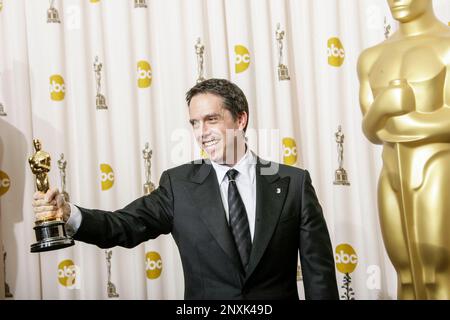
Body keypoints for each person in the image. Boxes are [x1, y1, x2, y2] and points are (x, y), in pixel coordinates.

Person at [32, 78, 338, 300]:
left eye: (211, 120)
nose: (202, 132)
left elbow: (319, 275)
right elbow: (123, 226)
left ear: (240, 119)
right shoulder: (179, 185)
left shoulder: (293, 183)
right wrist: (69, 215)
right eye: (194, 123)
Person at [357, 0, 450, 299]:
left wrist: (399, 122)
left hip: (438, 167)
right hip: (392, 172)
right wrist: (383, 107)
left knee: (438, 271)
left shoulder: (446, 47)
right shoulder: (371, 57)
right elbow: (371, 129)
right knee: (406, 273)